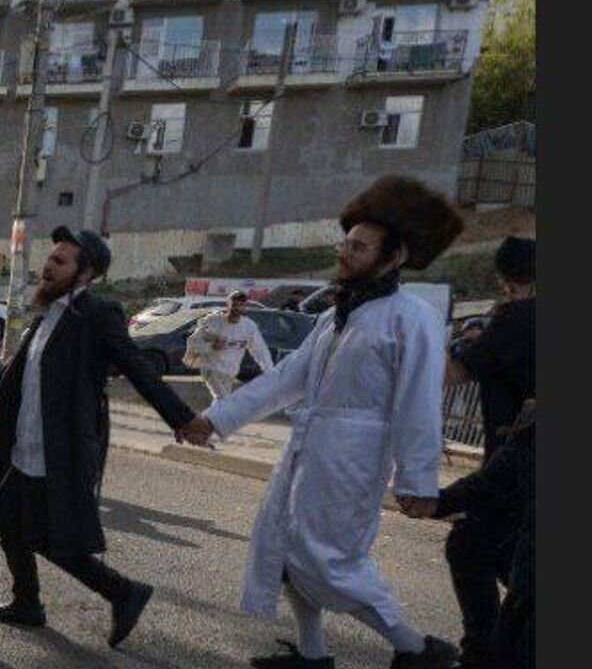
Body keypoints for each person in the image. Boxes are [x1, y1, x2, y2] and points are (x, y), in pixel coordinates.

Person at [180, 175, 465, 669]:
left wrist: (417, 479)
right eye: (345, 243)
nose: (345, 253)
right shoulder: (336, 317)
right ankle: (313, 656)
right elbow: (287, 378)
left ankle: (415, 650)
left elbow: (418, 402)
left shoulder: (411, 317)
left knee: (330, 562)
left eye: (359, 247)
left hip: (353, 462)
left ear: (394, 256)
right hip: (307, 451)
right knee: (286, 548)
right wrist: (215, 419)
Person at [0, 227, 195, 649]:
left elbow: (136, 366)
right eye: (50, 257)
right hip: (24, 449)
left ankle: (123, 592)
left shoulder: (97, 315)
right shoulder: (45, 317)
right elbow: (7, 380)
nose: (47, 265)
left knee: (53, 540)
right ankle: (27, 602)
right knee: (7, 523)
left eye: (60, 261)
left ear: (86, 274)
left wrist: (181, 417)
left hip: (58, 453)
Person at [439, 236, 535, 668]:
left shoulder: (517, 318)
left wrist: (457, 344)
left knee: (475, 544)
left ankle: (483, 653)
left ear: (507, 280)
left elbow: (453, 374)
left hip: (515, 465)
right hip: (518, 462)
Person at [404, 400, 534, 669]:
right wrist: (435, 502)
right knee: (469, 536)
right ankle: (480, 650)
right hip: (527, 573)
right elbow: (487, 483)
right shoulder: (533, 432)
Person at [188, 291, 275, 401]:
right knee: (224, 399)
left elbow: (259, 349)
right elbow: (193, 341)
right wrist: (211, 346)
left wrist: (269, 370)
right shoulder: (214, 321)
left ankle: (213, 412)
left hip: (229, 371)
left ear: (245, 306)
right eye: (234, 305)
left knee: (221, 401)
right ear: (228, 305)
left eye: (241, 305)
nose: (237, 308)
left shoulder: (248, 326)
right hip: (211, 367)